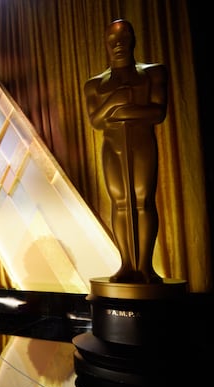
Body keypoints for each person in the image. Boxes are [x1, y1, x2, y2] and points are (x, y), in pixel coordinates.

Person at [84, 19, 168, 284]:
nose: (118, 44)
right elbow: (96, 121)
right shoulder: (95, 84)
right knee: (119, 202)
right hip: (112, 147)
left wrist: (118, 113)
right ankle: (126, 265)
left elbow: (157, 112)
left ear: (133, 39)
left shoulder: (152, 73)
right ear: (106, 44)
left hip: (142, 143)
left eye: (123, 38)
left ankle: (145, 267)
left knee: (143, 200)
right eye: (112, 39)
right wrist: (116, 100)